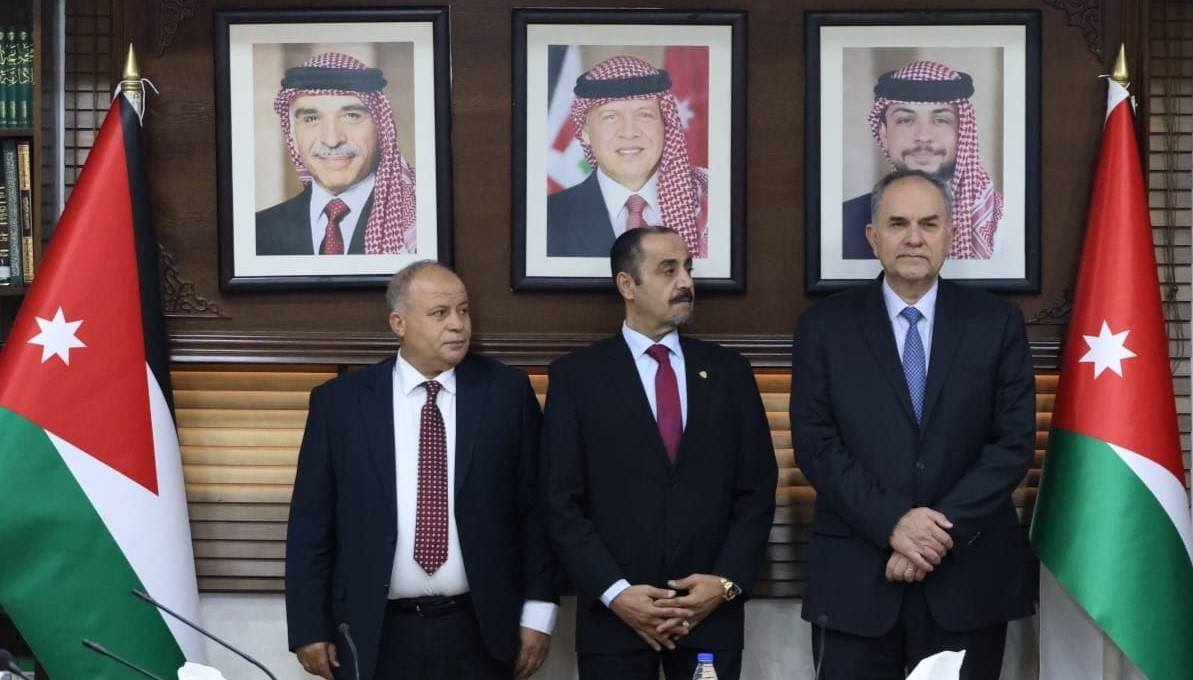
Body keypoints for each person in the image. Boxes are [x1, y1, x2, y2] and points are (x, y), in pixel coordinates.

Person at [791, 170, 1035, 679]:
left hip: (967, 578)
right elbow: (817, 444)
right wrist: (893, 523)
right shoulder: (824, 327)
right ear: (872, 236)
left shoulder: (997, 322)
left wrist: (932, 536)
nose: (914, 238)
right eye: (898, 223)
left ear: (951, 234)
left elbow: (1012, 444)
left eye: (929, 223)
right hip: (857, 581)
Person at [285, 261, 557, 680]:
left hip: (482, 627)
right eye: (439, 313)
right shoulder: (340, 404)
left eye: (463, 311)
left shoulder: (506, 393)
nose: (458, 325)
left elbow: (535, 510)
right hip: (375, 631)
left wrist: (539, 613)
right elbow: (311, 523)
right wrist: (309, 626)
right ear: (399, 323)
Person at [541, 226, 777, 679]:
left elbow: (756, 491)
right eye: (668, 270)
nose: (686, 281)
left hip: (710, 619)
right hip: (614, 622)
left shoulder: (729, 373)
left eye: (688, 268)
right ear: (626, 285)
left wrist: (724, 583)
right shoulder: (576, 378)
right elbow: (560, 501)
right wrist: (614, 591)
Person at [257, 51, 417, 256]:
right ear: (293, 138)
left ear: (382, 130)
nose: (332, 140)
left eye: (351, 116)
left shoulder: (418, 222)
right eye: (311, 119)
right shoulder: (258, 231)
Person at [547, 56, 709, 258]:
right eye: (610, 117)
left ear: (665, 124)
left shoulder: (711, 201)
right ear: (586, 132)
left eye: (644, 115)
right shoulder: (547, 217)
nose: (629, 132)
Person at [842, 60, 1004, 260]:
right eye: (905, 120)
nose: (923, 136)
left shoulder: (1004, 221)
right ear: (883, 134)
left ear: (963, 132)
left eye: (940, 120)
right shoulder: (845, 220)